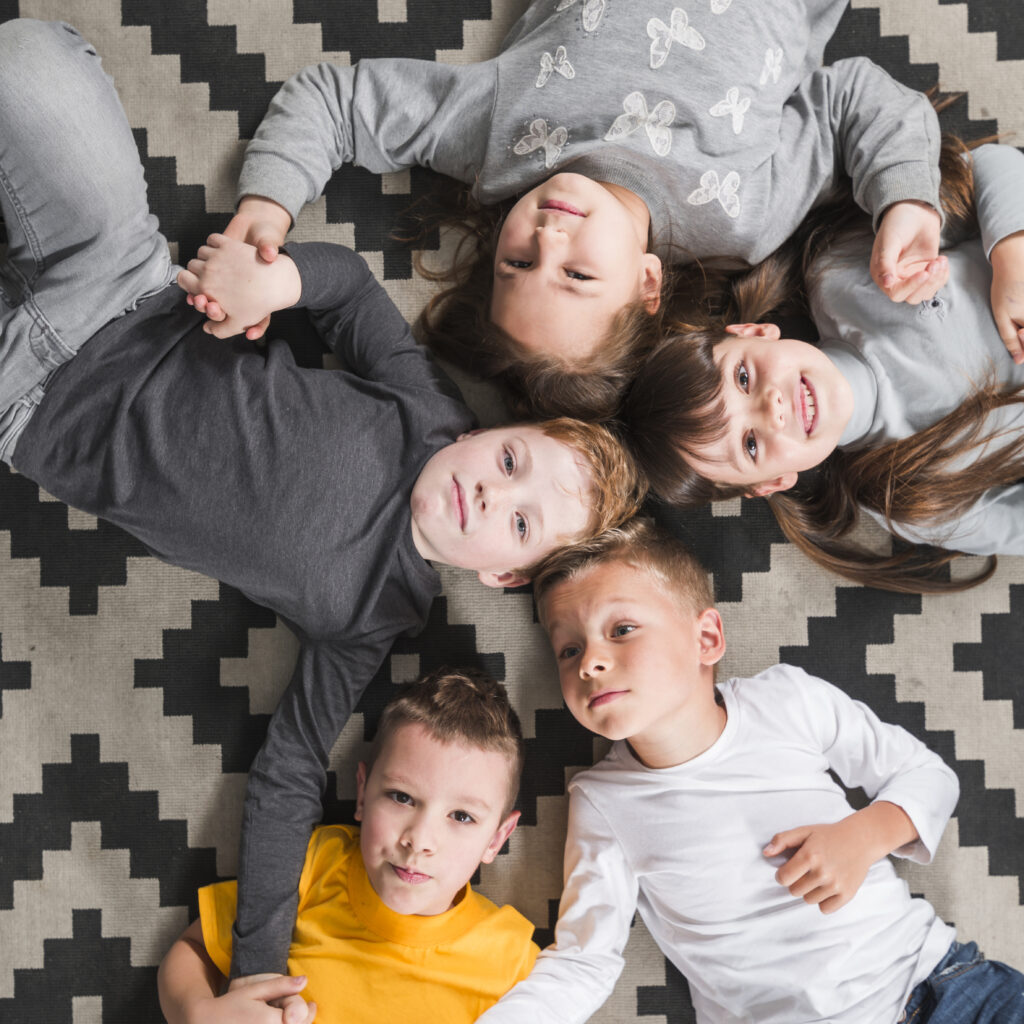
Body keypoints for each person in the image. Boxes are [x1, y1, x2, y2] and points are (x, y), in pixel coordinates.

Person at [0, 17, 640, 996]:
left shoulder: (374, 614)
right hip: (125, 283)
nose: (489, 490)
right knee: (31, 65)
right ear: (486, 429)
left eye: (516, 522)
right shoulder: (423, 408)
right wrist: (282, 277)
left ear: (503, 572)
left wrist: (257, 973)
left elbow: (293, 771)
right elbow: (345, 297)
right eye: (510, 458)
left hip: (30, 412)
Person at [189, 0, 950, 419]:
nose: (550, 235)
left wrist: (267, 211)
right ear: (649, 284)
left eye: (518, 262)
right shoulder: (742, 217)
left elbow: (339, 101)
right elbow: (854, 99)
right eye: (579, 275)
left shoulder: (499, 146)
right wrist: (903, 198)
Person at [477, 519, 1024, 1024]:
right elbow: (583, 959)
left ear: (706, 639)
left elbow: (929, 775)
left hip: (946, 989)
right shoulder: (602, 802)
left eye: (621, 629)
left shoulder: (787, 702)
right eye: (568, 649)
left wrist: (862, 837)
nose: (589, 662)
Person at [622, 138, 1024, 592]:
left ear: (753, 332)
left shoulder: (844, 273)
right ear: (774, 481)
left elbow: (989, 165)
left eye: (742, 378)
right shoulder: (907, 502)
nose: (772, 408)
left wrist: (1012, 254)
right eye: (750, 444)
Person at [158, 668, 538, 1024]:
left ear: (497, 838)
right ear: (362, 793)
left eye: (461, 817)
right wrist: (197, 1012)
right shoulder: (314, 864)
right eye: (401, 797)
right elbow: (195, 949)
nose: (419, 841)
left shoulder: (513, 957)